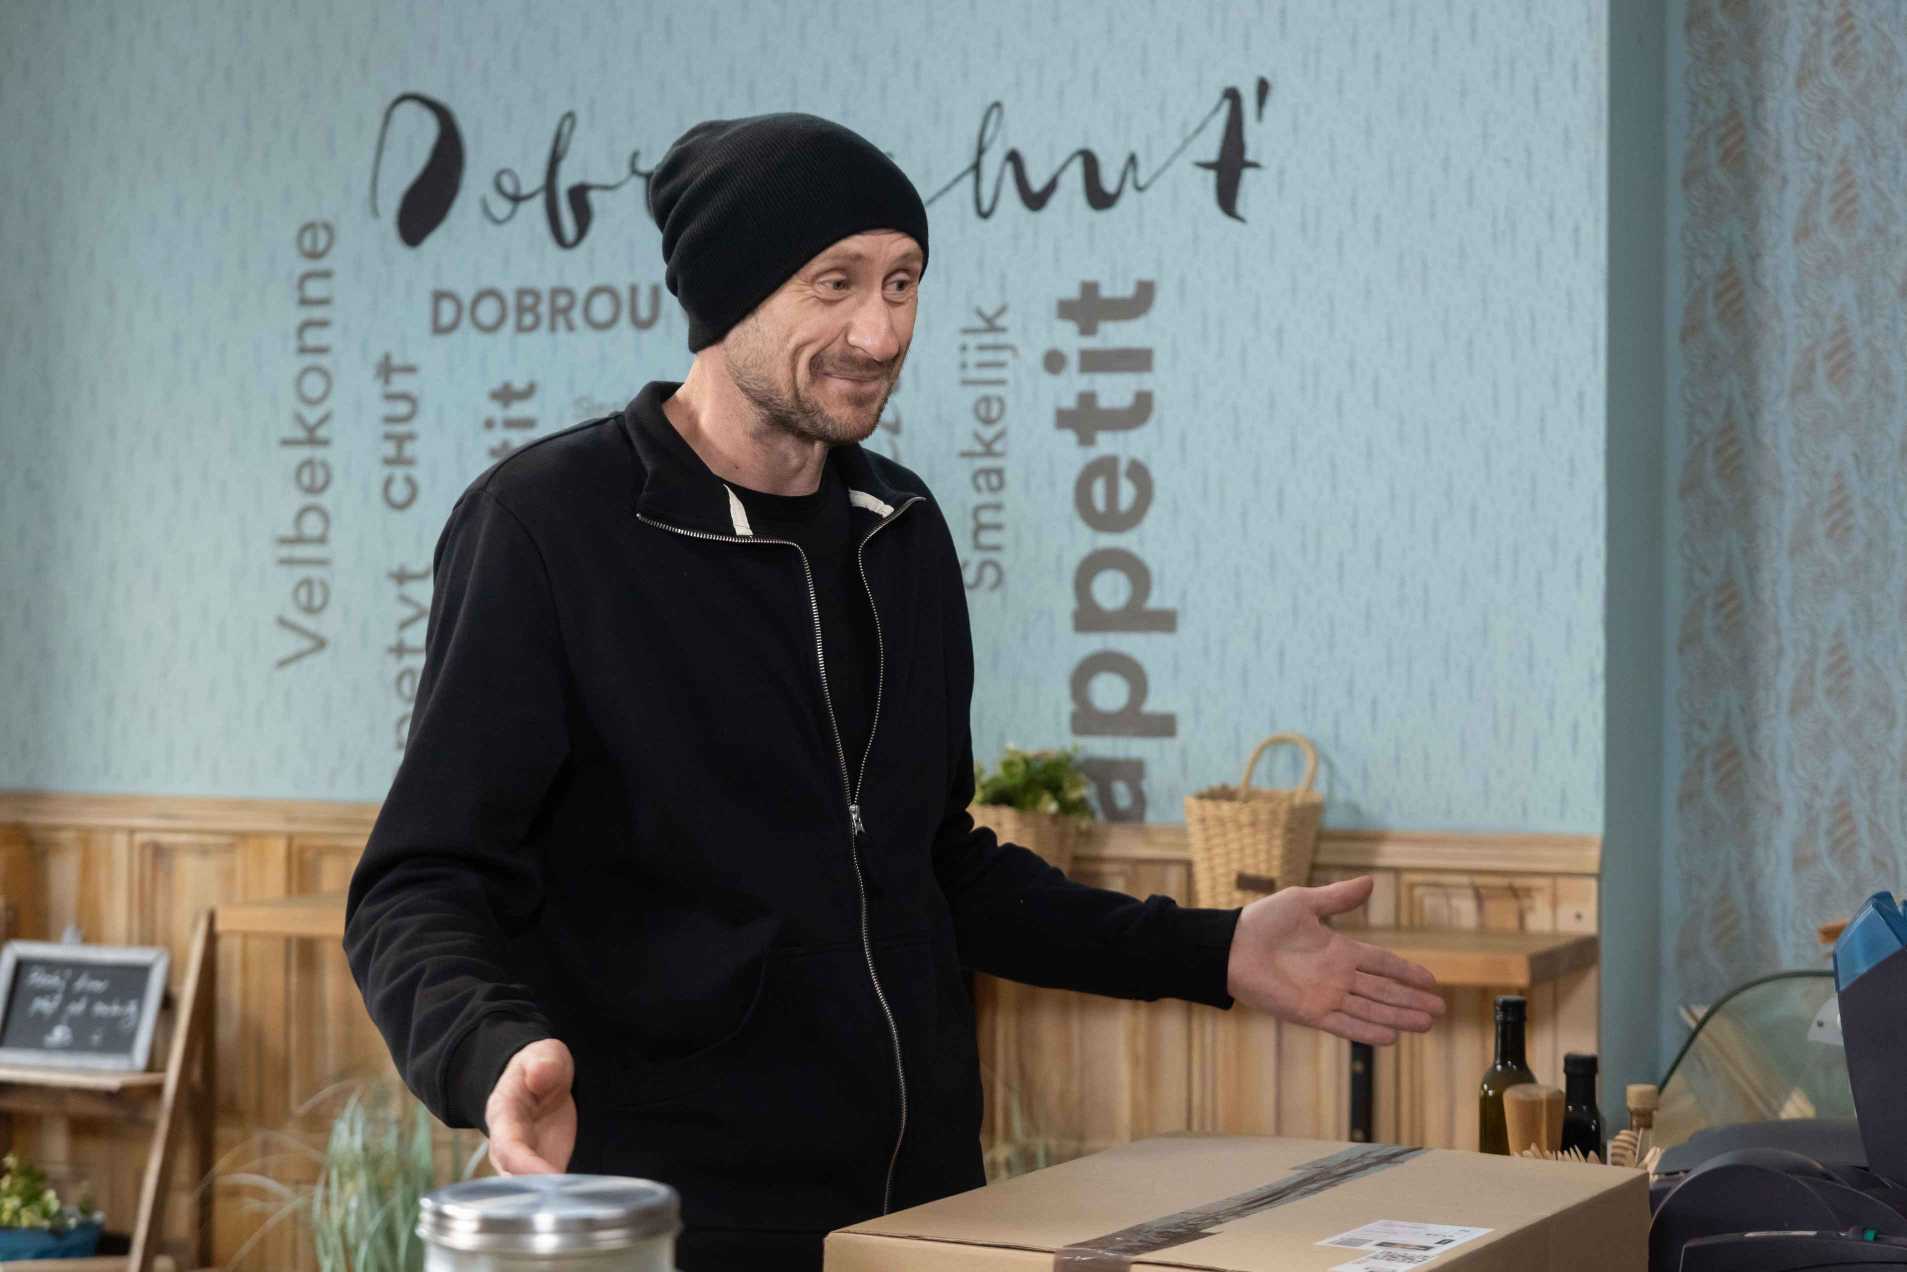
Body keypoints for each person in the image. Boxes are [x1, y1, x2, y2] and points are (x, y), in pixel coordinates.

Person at [344, 112, 1444, 1269]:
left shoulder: (899, 527)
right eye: (835, 283)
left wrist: (1209, 950)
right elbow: (418, 882)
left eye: (902, 282)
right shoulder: (546, 527)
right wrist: (485, 1052)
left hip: (926, 1212)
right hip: (682, 1220)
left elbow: (932, 866)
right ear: (724, 295)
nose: (879, 331)